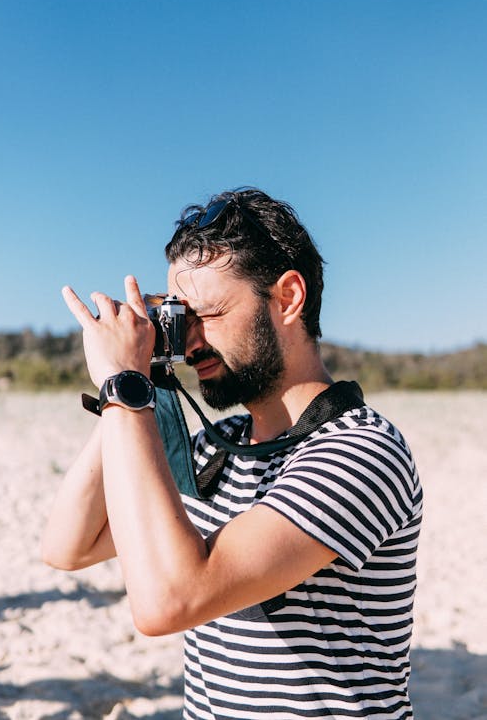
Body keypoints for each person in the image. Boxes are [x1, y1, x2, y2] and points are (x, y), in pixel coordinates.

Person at [42, 188, 422, 720]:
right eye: (180, 319)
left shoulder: (360, 451)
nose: (190, 342)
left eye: (209, 313)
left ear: (288, 297)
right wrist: (136, 379)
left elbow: (167, 601)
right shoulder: (221, 449)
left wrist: (123, 387)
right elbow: (69, 547)